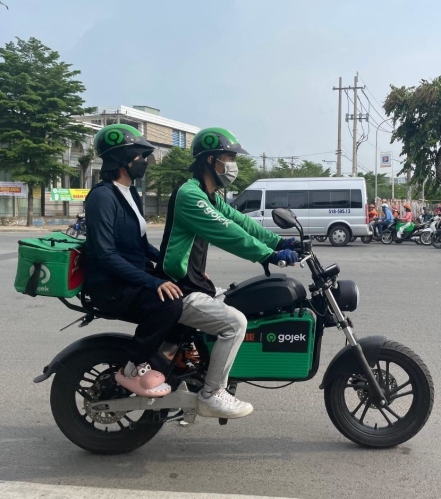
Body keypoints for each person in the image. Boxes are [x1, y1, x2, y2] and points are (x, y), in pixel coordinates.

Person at [156, 127, 299, 419]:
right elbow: (228, 233)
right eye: (229, 157)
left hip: (195, 284)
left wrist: (279, 241)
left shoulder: (210, 197)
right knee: (234, 323)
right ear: (210, 160)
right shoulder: (190, 195)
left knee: (239, 301)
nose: (233, 164)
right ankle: (211, 393)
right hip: (179, 288)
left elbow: (242, 223)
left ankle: (201, 370)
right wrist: (269, 254)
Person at [83, 124, 183, 398]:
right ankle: (132, 368)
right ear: (120, 159)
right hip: (111, 285)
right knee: (169, 305)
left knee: (188, 289)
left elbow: (140, 245)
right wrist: (152, 281)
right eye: (139, 157)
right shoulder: (102, 197)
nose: (144, 162)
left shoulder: (131, 193)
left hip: (131, 277)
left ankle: (169, 361)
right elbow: (105, 253)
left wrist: (173, 267)